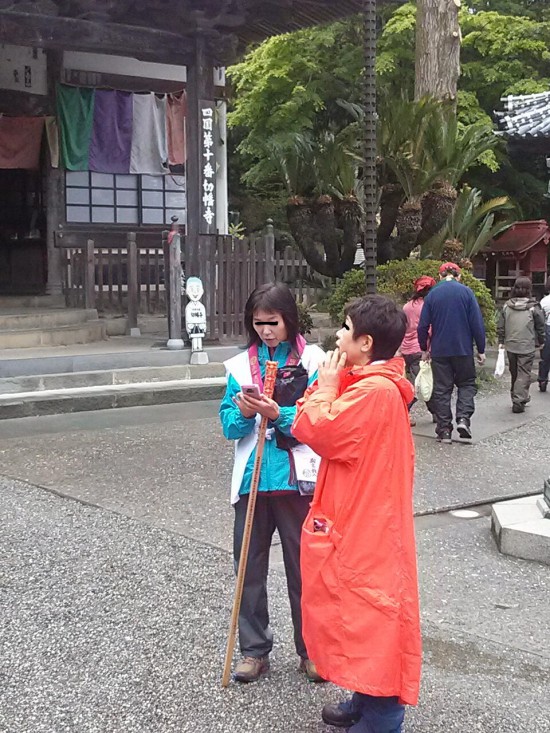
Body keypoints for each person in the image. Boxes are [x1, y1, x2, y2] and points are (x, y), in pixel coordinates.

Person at [292, 295, 421, 733]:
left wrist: (327, 384)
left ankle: (382, 715)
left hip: (370, 529)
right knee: (361, 617)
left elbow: (317, 428)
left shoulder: (376, 392)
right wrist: (333, 382)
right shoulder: (372, 383)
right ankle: (365, 699)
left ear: (365, 343)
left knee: (374, 619)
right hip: (364, 519)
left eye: (345, 330)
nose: (338, 337)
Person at [219, 282, 325, 684]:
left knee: (306, 570)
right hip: (252, 480)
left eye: (273, 323)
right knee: (248, 568)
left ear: (289, 319)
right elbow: (229, 425)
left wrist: (276, 412)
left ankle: (311, 649)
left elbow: (318, 421)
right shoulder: (238, 366)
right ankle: (254, 650)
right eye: (258, 323)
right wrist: (246, 414)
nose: (266, 331)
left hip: (299, 480)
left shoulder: (315, 361)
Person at [417, 262, 486, 444]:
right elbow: (477, 323)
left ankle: (444, 430)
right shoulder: (467, 293)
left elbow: (423, 325)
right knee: (467, 384)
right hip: (463, 349)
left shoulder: (432, 295)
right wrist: (481, 349)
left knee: (441, 389)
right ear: (459, 276)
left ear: (439, 276)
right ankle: (463, 419)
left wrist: (424, 348)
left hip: (440, 350)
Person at [497, 276, 545, 413]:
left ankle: (517, 396)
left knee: (514, 372)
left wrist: (501, 341)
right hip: (526, 345)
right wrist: (541, 341)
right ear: (529, 290)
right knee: (523, 373)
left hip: (511, 344)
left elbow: (501, 326)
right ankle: (518, 400)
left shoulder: (507, 306)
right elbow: (540, 327)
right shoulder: (533, 308)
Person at [400, 275, 436, 426]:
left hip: (405, 349)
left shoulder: (407, 306)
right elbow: (430, 329)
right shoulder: (428, 306)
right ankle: (402, 413)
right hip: (420, 350)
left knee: (419, 381)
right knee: (419, 384)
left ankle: (436, 414)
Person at [538, 276, 550, 392]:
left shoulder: (544, 301)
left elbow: (541, 319)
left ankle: (542, 379)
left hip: (548, 328)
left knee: (545, 357)